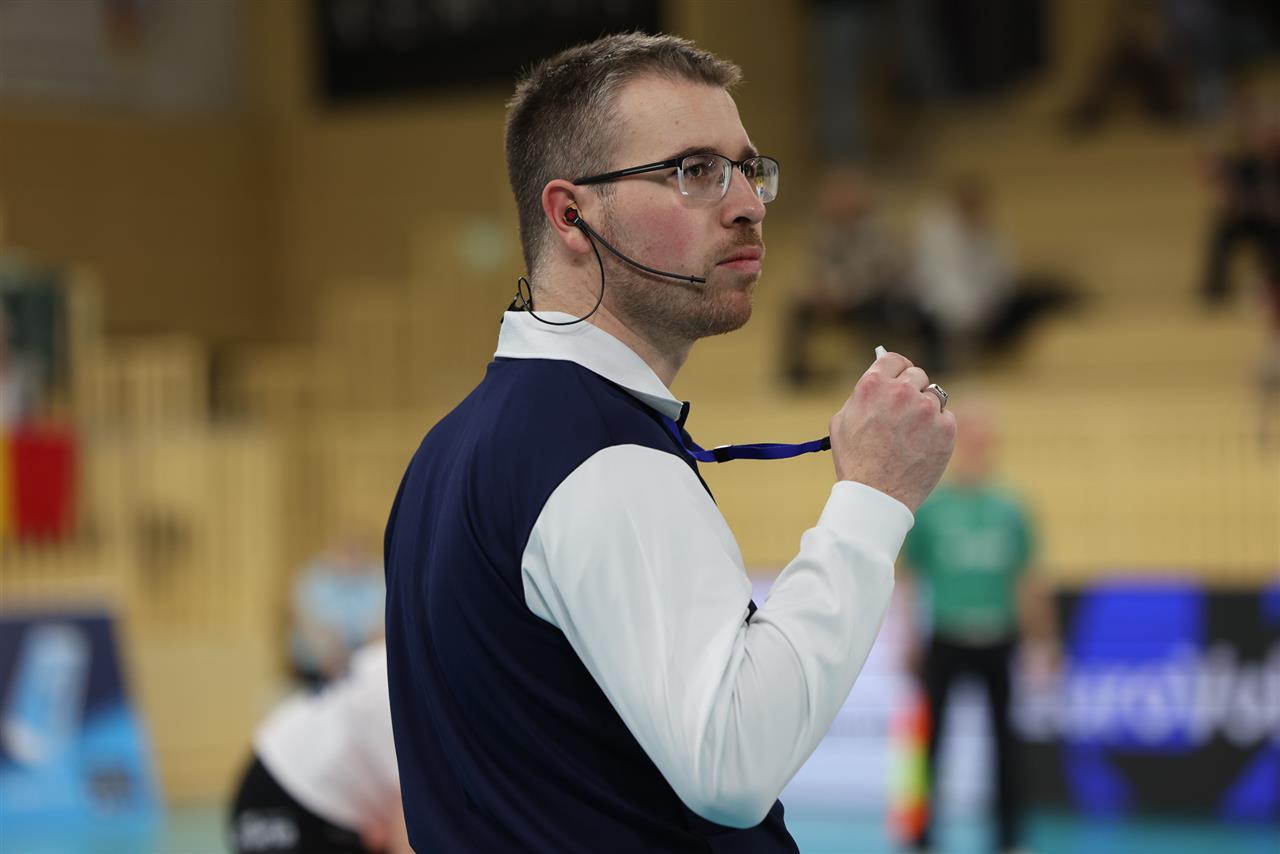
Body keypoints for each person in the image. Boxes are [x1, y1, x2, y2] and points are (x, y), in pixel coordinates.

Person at [384, 33, 956, 851]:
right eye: (694, 170)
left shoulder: (453, 448)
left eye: (748, 169)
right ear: (571, 215)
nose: (749, 204)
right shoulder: (592, 453)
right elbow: (733, 764)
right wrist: (872, 496)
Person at [898, 401, 1057, 854]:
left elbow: (1029, 578)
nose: (975, 449)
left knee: (1006, 743)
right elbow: (910, 576)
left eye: (982, 441)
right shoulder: (932, 509)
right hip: (946, 638)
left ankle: (1009, 838)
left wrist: (1044, 642)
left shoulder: (1011, 509)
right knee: (930, 743)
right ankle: (920, 835)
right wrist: (907, 635)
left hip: (998, 638)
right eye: (968, 440)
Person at [228, 643, 408, 854]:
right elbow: (408, 830)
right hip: (286, 789)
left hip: (305, 786)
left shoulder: (400, 659)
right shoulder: (406, 680)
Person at [782, 166, 920, 387]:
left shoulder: (875, 231)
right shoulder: (823, 233)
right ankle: (797, 376)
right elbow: (816, 270)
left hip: (867, 299)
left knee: (876, 307)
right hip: (834, 299)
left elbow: (878, 274)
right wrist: (825, 292)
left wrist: (843, 292)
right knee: (799, 310)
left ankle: (878, 370)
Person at [288, 532, 385, 689]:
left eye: (355, 551)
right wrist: (332, 652)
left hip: (365, 664)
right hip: (317, 668)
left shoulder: (378, 578)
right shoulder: (313, 578)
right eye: (345, 551)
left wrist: (361, 656)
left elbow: (382, 625)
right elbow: (308, 624)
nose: (350, 558)